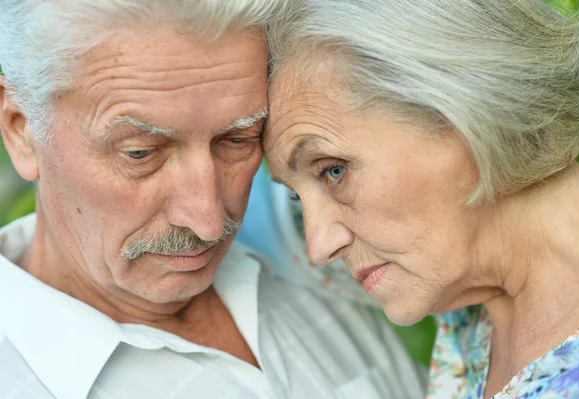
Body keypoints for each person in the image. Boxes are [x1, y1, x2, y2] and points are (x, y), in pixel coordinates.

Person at [0, 1, 425, 398]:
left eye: (237, 139)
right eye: (141, 153)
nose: (207, 220)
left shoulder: (318, 264)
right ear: (22, 131)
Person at [263, 0, 579, 397]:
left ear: (468, 105)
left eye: (333, 170)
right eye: (297, 198)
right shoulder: (471, 307)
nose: (319, 246)